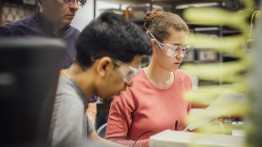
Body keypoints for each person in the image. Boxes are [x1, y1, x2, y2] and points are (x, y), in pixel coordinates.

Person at [48, 11, 152, 147]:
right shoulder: (69, 106)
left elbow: (94, 141)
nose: (130, 84)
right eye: (128, 73)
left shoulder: (73, 94)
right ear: (104, 66)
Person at [105, 9, 192, 147]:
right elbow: (112, 143)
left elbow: (183, 130)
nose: (180, 55)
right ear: (154, 45)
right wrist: (157, 143)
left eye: (184, 49)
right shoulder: (128, 86)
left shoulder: (185, 80)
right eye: (174, 48)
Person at [0, 0, 84, 69]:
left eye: (78, 1)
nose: (75, 7)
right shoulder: (10, 35)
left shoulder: (79, 39)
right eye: (67, 0)